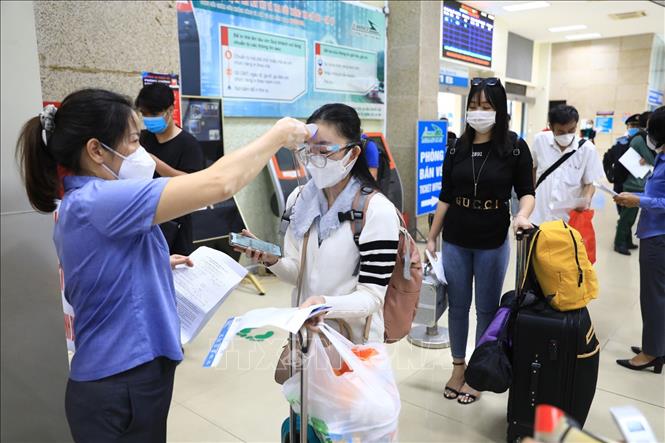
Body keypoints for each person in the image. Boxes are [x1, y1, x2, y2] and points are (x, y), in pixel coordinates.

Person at [16, 89, 309, 442]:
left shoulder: (88, 200)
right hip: (119, 384)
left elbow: (104, 263)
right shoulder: (99, 200)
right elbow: (220, 183)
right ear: (96, 150)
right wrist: (278, 135)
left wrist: (156, 261)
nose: (142, 153)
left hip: (128, 378)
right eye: (133, 141)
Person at [240, 103, 400, 345]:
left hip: (353, 343)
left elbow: (372, 297)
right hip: (305, 337)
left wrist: (324, 304)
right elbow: (298, 274)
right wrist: (272, 260)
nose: (314, 160)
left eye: (324, 151)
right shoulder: (298, 200)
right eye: (309, 150)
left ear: (353, 153)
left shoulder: (377, 211)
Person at [426, 78, 535, 405]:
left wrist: (522, 215)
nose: (478, 112)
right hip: (456, 237)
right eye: (473, 106)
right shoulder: (456, 148)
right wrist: (431, 236)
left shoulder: (514, 147)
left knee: (486, 309)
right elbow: (446, 195)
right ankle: (458, 368)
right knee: (458, 307)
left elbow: (526, 192)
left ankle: (477, 373)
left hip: (492, 238)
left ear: (499, 110)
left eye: (486, 107)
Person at [614, 106, 665, 373]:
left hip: (658, 237)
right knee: (658, 295)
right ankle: (657, 346)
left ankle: (651, 353)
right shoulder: (662, 157)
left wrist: (638, 201)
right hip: (654, 233)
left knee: (653, 297)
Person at [136, 83, 205, 255]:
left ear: (170, 110)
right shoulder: (142, 138)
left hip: (175, 224)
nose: (148, 119)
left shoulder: (188, 144)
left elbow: (193, 183)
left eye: (154, 114)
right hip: (145, 219)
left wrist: (155, 162)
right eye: (144, 114)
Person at [530, 105, 604, 226]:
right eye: (561, 132)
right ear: (551, 127)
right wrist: (530, 194)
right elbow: (533, 168)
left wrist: (586, 199)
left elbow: (590, 183)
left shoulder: (587, 149)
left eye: (571, 130)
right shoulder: (540, 140)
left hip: (566, 221)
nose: (566, 135)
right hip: (537, 216)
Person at [613, 112, 656, 255]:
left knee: (630, 217)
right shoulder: (639, 139)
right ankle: (619, 243)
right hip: (633, 184)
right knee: (626, 218)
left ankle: (627, 241)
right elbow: (653, 159)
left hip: (640, 183)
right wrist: (650, 158)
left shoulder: (644, 139)